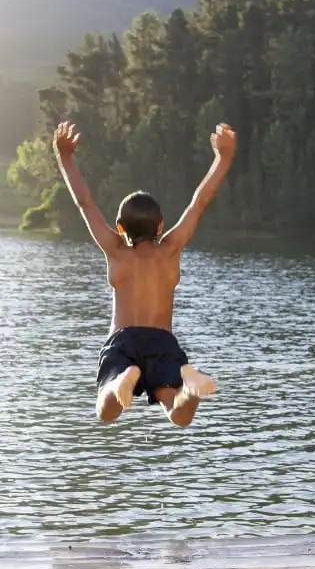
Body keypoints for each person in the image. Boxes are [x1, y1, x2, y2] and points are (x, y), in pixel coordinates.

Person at [52, 120, 237, 427]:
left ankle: (122, 378)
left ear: (121, 228)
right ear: (161, 225)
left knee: (107, 409)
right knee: (179, 414)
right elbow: (199, 202)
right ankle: (188, 387)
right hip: (162, 342)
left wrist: (65, 158)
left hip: (123, 341)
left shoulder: (116, 250)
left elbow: (84, 203)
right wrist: (223, 158)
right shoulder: (170, 250)